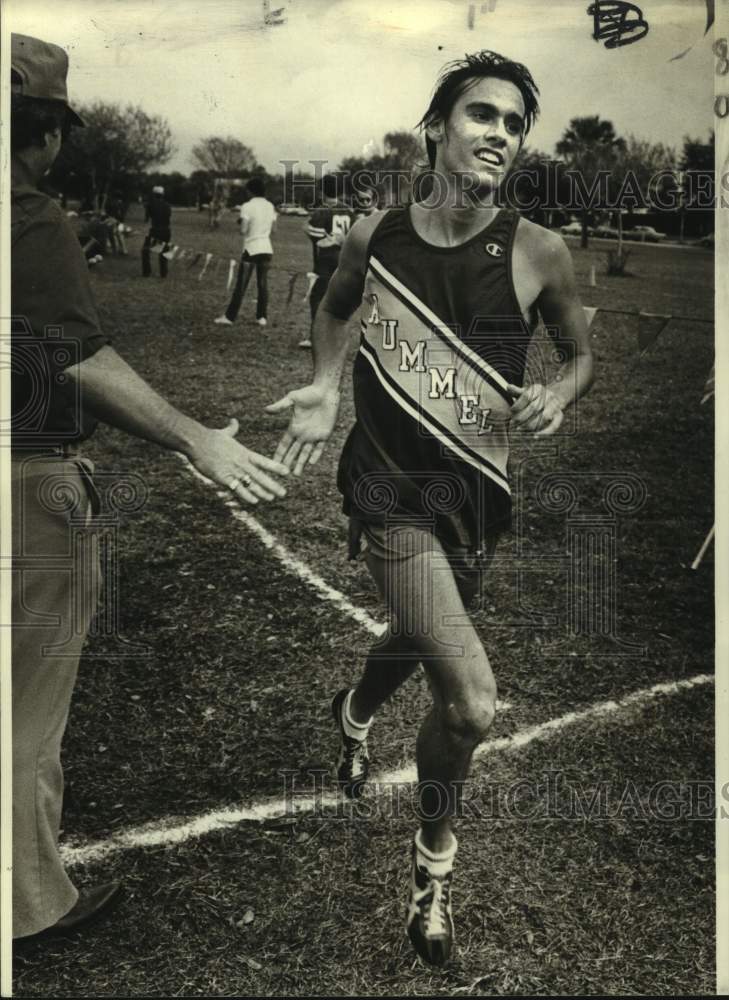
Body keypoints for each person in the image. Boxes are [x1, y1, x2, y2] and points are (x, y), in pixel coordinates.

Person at [267, 50, 594, 965]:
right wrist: (326, 385)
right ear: (438, 128)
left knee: (416, 636)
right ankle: (431, 874)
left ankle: (353, 712)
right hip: (384, 490)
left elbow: (577, 356)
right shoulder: (376, 234)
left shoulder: (537, 250)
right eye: (480, 114)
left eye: (513, 122)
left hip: (474, 499)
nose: (497, 132)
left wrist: (558, 394)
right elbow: (335, 308)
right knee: (471, 703)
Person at [9, 32, 289, 943]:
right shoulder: (28, 212)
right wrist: (197, 438)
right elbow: (77, 354)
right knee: (24, 708)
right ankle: (29, 904)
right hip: (25, 477)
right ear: (45, 131)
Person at [297, 174, 356, 349]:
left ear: (322, 191)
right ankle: (334, 337)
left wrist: (306, 227)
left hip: (326, 259)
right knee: (337, 299)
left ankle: (317, 337)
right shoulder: (348, 210)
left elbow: (317, 236)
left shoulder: (322, 210)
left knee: (317, 298)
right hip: (345, 258)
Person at [214, 176, 276, 329]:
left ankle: (230, 316)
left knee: (241, 284)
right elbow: (274, 230)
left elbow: (243, 230)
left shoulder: (247, 206)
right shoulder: (270, 206)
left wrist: (242, 223)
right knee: (263, 284)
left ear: (251, 191)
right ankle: (262, 317)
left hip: (251, 248)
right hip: (266, 247)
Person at [141, 185, 171, 278]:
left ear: (154, 194)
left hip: (155, 230)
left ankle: (147, 272)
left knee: (145, 250)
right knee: (164, 252)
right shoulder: (167, 205)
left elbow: (146, 219)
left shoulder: (150, 205)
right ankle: (164, 273)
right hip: (166, 231)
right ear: (163, 194)